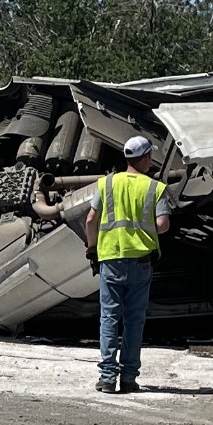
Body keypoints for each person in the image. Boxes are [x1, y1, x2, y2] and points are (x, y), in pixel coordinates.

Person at [86, 135, 172, 394]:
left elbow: (91, 220)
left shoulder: (106, 184)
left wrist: (92, 249)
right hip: (141, 262)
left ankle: (107, 378)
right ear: (145, 158)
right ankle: (129, 378)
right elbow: (163, 225)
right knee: (135, 320)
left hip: (111, 259)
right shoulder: (155, 188)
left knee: (109, 317)